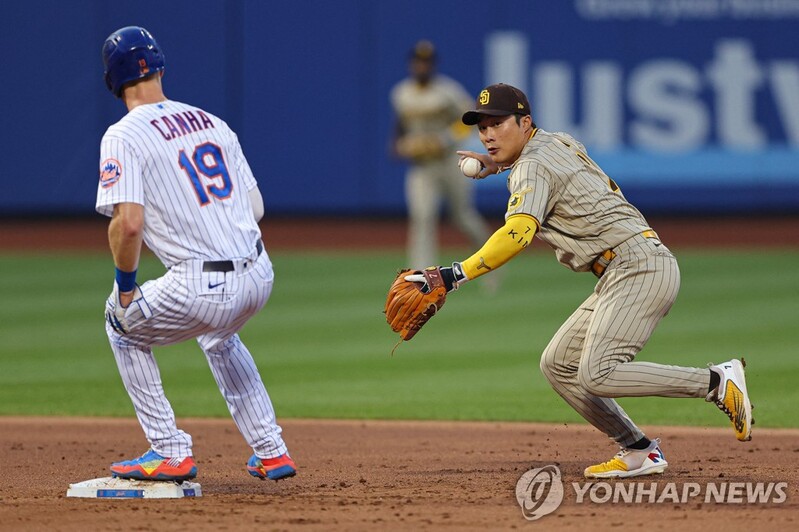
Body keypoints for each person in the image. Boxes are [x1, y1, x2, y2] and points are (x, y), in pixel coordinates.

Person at [415, 83, 753, 478]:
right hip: (624, 267)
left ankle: (715, 381)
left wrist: (454, 274)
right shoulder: (555, 140)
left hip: (638, 266)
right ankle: (639, 450)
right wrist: (502, 165)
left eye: (499, 123)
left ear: (525, 122)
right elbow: (556, 168)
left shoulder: (532, 166)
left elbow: (517, 234)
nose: (488, 134)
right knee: (558, 364)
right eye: (482, 126)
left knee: (598, 372)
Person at [97, 26, 295, 483]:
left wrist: (126, 291)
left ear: (112, 80)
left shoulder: (124, 135)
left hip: (202, 284)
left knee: (120, 325)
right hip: (260, 272)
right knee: (220, 337)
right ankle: (271, 450)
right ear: (160, 65)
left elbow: (127, 224)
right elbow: (256, 208)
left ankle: (168, 450)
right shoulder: (211, 121)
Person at [390, 40, 491, 272]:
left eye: (426, 62)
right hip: (422, 166)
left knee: (462, 216)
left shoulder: (448, 91)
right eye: (418, 62)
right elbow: (399, 127)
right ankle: (420, 277)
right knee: (422, 218)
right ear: (411, 64)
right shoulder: (401, 93)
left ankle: (491, 262)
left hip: (450, 163)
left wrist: (444, 139)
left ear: (433, 65)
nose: (421, 66)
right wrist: (398, 145)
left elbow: (469, 120)